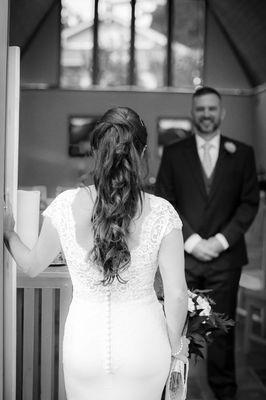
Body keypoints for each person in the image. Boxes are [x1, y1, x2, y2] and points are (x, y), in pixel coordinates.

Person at [4, 106, 188, 400]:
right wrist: (176, 348)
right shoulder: (162, 212)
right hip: (145, 348)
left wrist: (9, 233)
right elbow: (177, 294)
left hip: (84, 349)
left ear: (95, 152)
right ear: (142, 154)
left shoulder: (65, 205)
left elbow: (32, 265)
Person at [156, 87, 260, 400]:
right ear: (193, 112)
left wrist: (219, 241)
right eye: (200, 108)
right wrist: (191, 241)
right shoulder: (174, 153)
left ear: (221, 112)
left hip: (224, 260)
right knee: (172, 329)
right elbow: (165, 199)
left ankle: (224, 391)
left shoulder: (242, 153)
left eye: (211, 108)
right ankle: (168, 390)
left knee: (220, 333)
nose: (205, 114)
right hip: (182, 258)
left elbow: (248, 203)